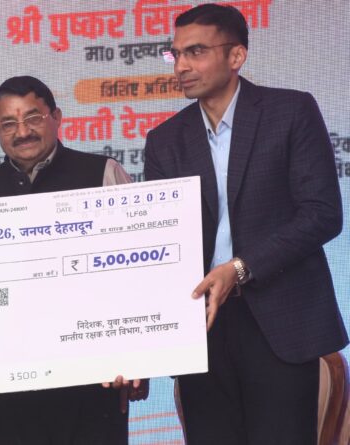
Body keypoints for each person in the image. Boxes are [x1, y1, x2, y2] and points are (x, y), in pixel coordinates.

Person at [143, 4, 347, 444]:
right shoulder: (164, 140)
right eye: (175, 54)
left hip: (280, 320)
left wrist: (239, 268)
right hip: (202, 326)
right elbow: (158, 240)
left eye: (196, 51)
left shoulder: (290, 111)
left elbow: (322, 213)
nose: (180, 66)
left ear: (236, 56)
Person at [0, 76, 147, 445]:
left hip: (92, 383)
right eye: (8, 123)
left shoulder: (103, 174)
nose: (22, 132)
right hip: (11, 390)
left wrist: (143, 358)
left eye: (33, 118)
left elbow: (139, 275)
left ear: (56, 117)